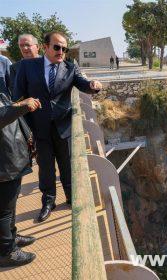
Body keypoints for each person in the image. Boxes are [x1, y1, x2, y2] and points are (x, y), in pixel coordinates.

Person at [13, 31, 103, 222]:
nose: (61, 51)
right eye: (57, 47)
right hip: (39, 128)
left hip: (64, 127)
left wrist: (93, 85)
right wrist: (25, 129)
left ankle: (72, 199)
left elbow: (83, 84)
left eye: (64, 48)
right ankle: (48, 202)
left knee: (67, 166)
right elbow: (18, 98)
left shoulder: (70, 67)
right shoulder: (27, 66)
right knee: (45, 168)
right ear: (45, 47)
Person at [0, 93, 41, 267]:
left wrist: (18, 105)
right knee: (3, 210)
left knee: (11, 203)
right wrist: (21, 106)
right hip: (3, 161)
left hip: (9, 157)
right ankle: (6, 252)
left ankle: (12, 236)